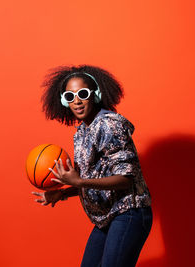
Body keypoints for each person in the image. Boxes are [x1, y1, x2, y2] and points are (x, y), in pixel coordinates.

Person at [32, 65, 152, 267]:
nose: (76, 101)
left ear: (95, 95)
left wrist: (79, 180)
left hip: (128, 212)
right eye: (70, 97)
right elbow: (92, 178)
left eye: (83, 94)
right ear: (64, 101)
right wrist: (62, 193)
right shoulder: (82, 132)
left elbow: (126, 179)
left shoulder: (109, 124)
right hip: (106, 217)